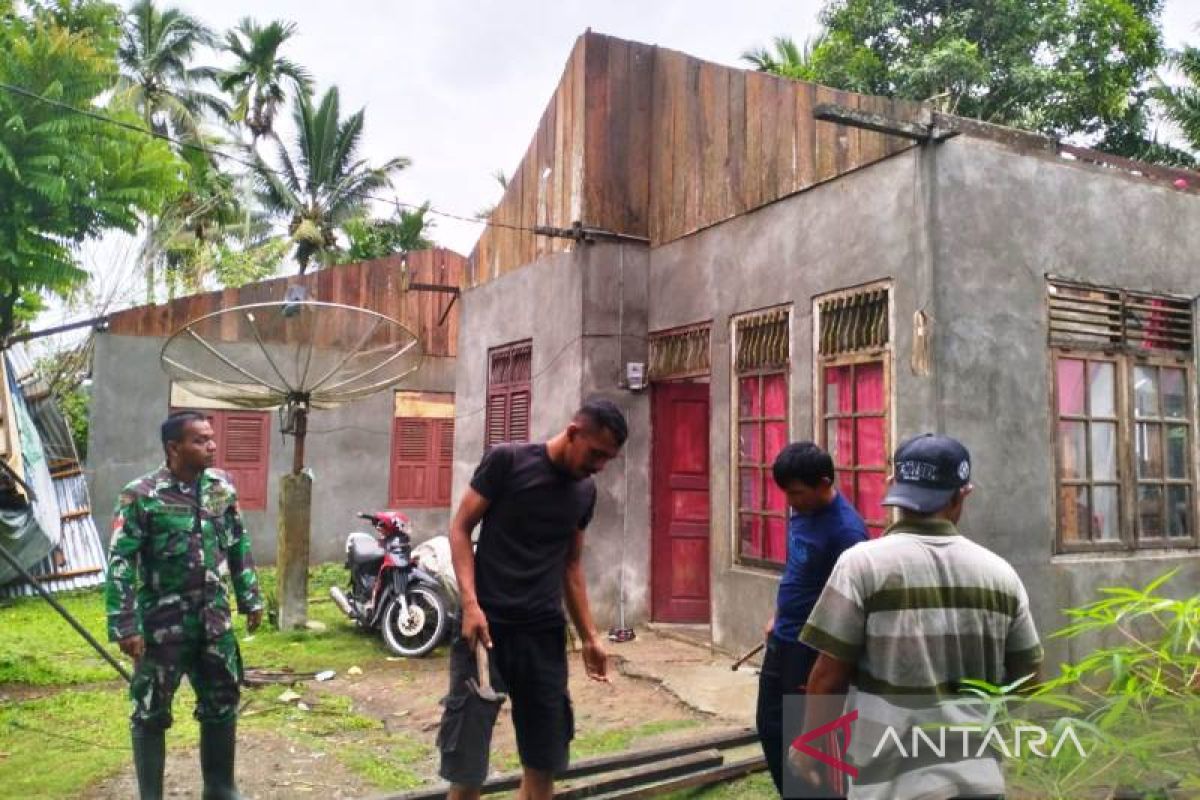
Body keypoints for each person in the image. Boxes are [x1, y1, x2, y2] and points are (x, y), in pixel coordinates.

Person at [792, 434, 1043, 799]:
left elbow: (828, 677)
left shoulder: (862, 565)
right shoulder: (1001, 575)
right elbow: (1031, 680)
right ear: (961, 495)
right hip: (978, 780)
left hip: (888, 783)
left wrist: (808, 745)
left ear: (894, 487)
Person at [439, 398, 627, 800]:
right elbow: (460, 528)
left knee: (545, 759)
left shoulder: (584, 491)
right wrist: (471, 605)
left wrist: (590, 637)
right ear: (574, 432)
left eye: (607, 459)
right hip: (485, 632)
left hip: (543, 635)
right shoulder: (507, 462)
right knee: (468, 762)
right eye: (596, 453)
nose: (599, 466)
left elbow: (571, 565)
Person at [105, 411, 263, 800]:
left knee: (222, 701)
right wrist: (124, 624)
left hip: (214, 621)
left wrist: (250, 596)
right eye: (199, 440)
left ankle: (220, 788)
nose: (211, 446)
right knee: (151, 710)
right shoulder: (140, 496)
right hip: (162, 626)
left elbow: (237, 543)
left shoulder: (221, 488)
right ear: (173, 448)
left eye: (211, 438)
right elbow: (120, 562)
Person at [756, 442, 868, 797]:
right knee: (770, 724)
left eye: (797, 493)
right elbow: (799, 570)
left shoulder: (847, 533)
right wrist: (778, 614)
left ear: (823, 483)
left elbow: (852, 604)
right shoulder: (802, 512)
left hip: (812, 650)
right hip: (783, 639)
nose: (790, 501)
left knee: (809, 738)